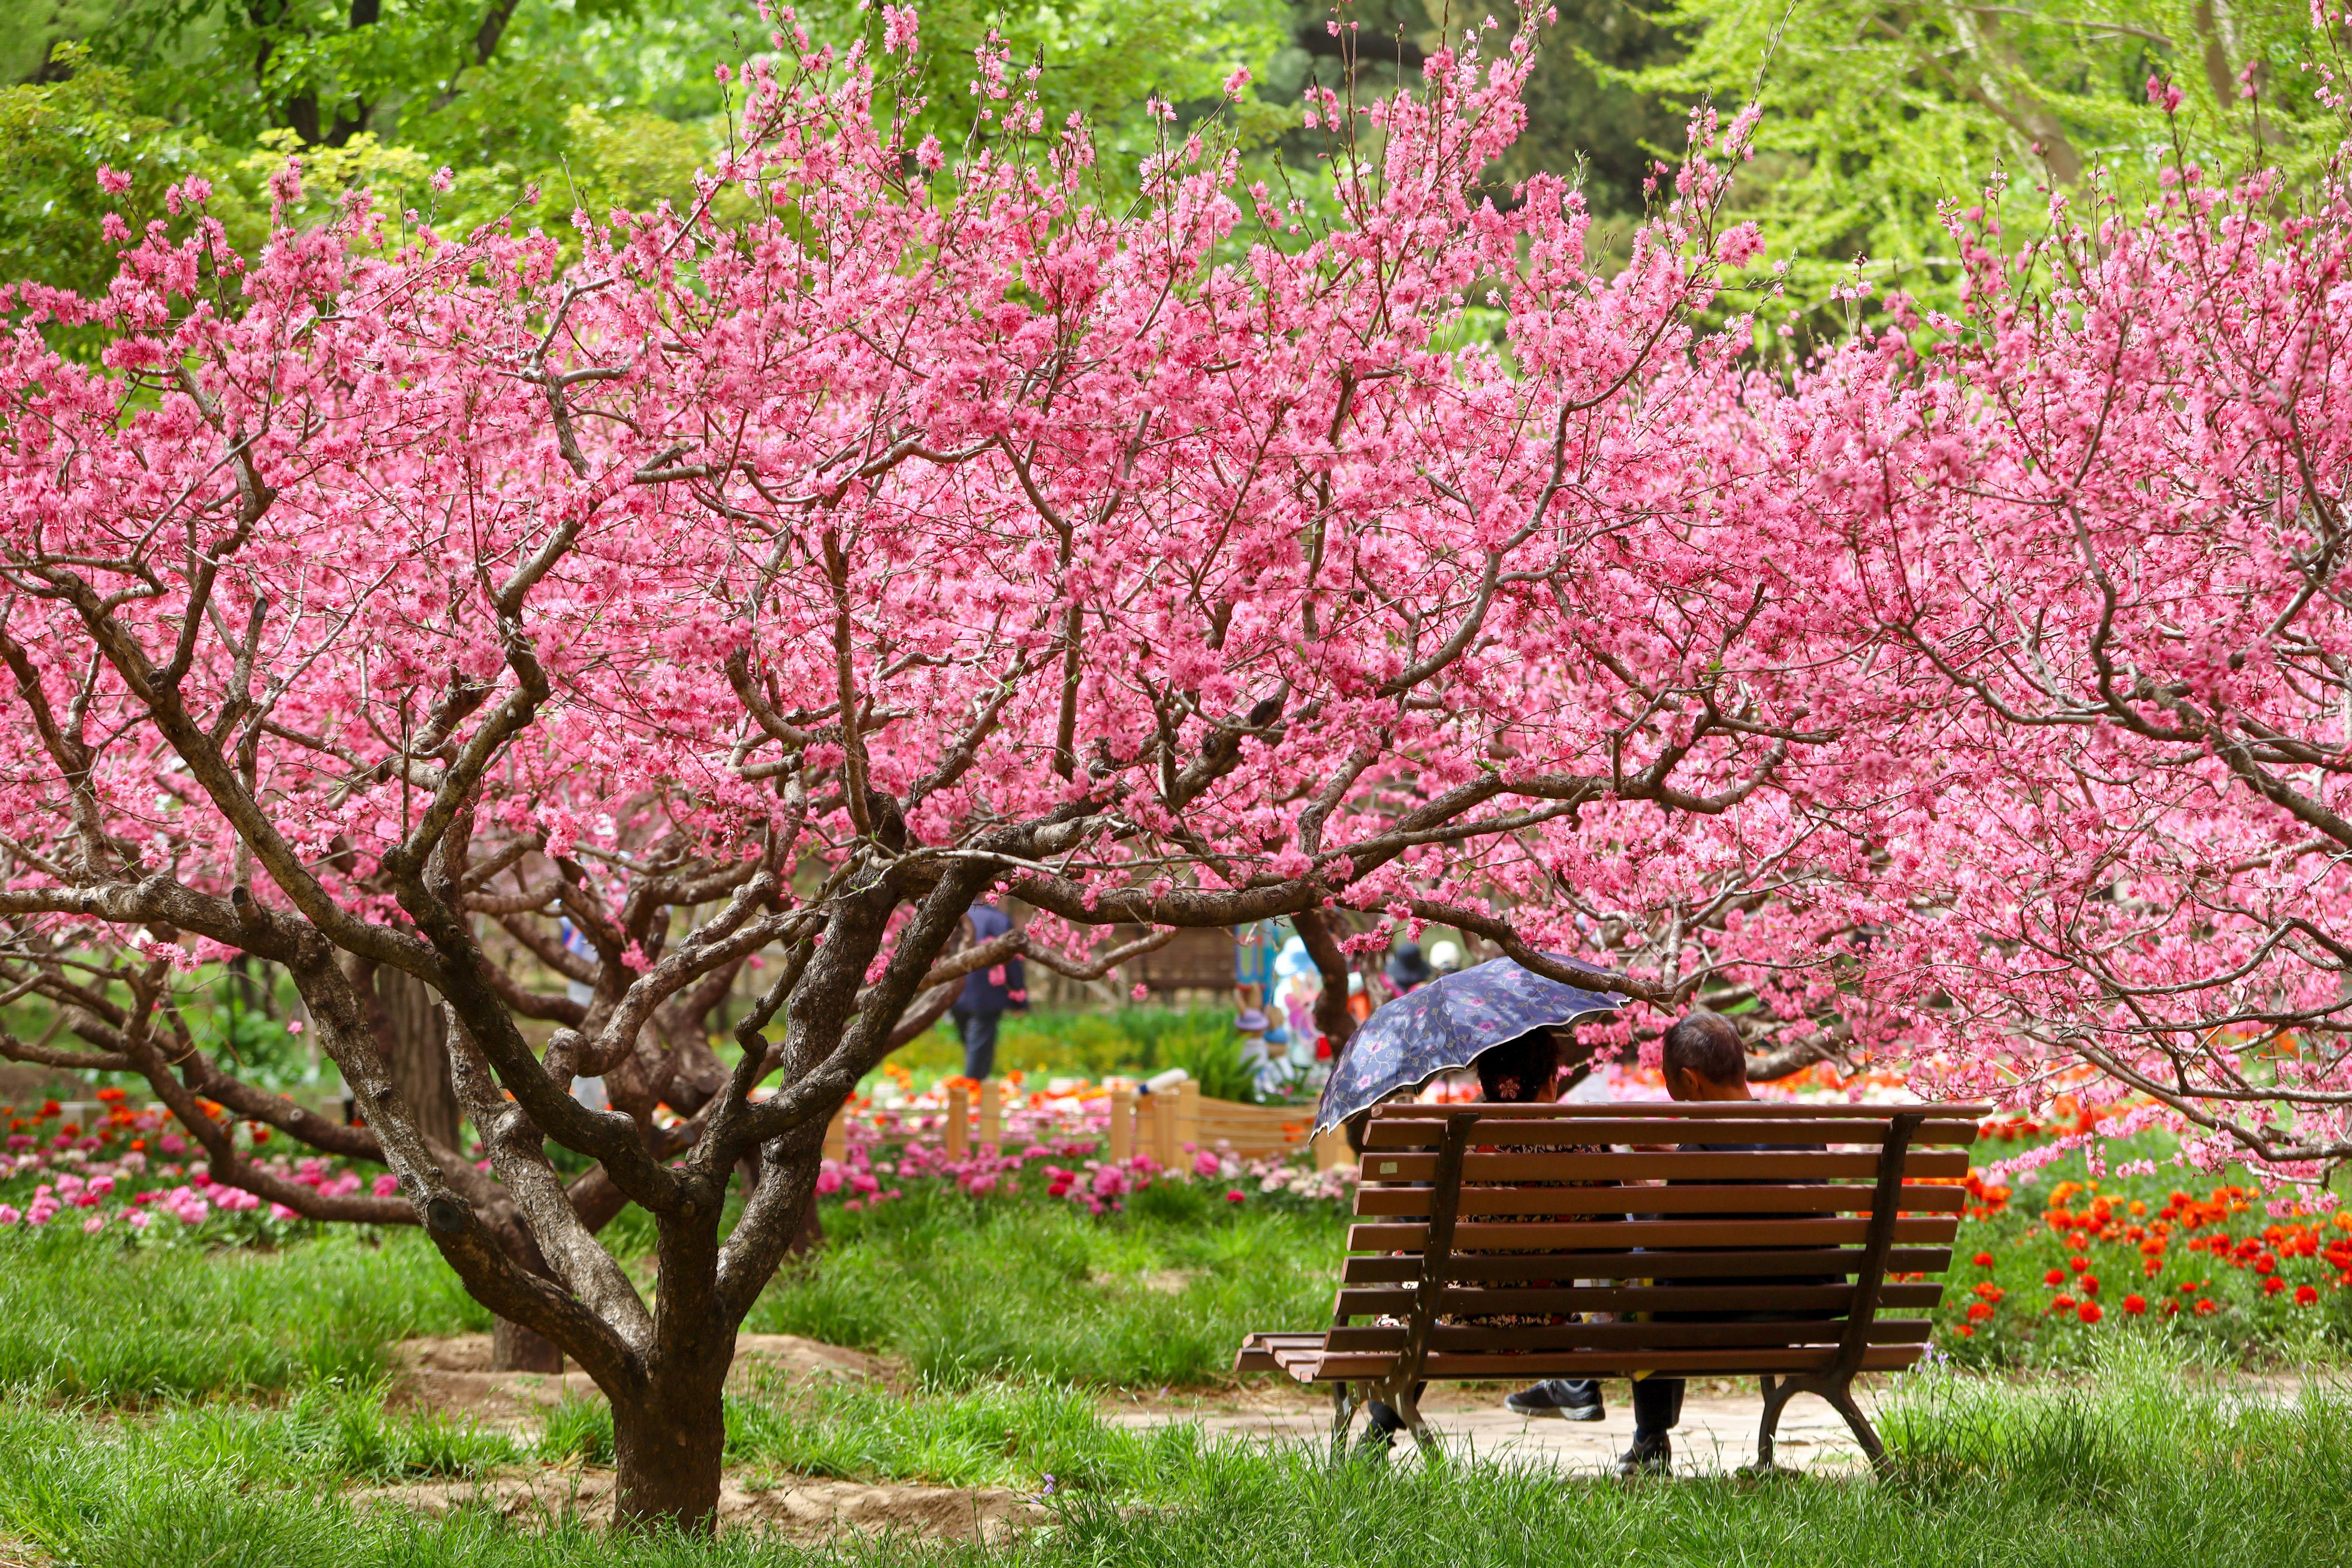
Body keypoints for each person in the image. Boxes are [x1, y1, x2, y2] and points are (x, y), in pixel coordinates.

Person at [1359, 1026, 1601, 1455]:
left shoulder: (1456, 1144)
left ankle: (1375, 1439)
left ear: (1486, 1085)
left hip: (1455, 1322)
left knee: (1419, 1296)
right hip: (1548, 1326)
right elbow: (1611, 1238)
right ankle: (1648, 1439)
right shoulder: (1583, 1144)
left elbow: (1419, 1225)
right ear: (1552, 1081)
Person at [949, 900, 1027, 1080]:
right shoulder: (998, 920)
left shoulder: (954, 916)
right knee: (979, 1048)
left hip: (954, 993)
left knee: (971, 1045)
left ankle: (972, 1090)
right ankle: (972, 1092)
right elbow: (1012, 963)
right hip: (987, 996)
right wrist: (1019, 998)